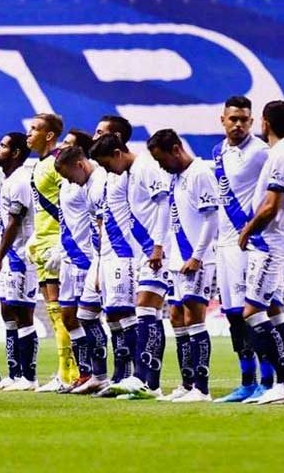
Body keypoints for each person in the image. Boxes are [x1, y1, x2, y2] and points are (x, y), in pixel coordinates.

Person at [88, 131, 170, 399]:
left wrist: (158, 245)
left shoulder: (146, 167)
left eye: (106, 163)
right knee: (148, 312)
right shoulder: (129, 173)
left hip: (159, 250)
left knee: (147, 310)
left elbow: (164, 206)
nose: (106, 169)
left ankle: (148, 380)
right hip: (144, 251)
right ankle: (146, 381)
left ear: (117, 154)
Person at [236, 100, 284, 406]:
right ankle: (281, 383)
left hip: (268, 245)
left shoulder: (280, 155)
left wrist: (248, 229)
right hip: (276, 240)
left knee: (251, 313)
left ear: (264, 123)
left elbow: (270, 205)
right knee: (274, 312)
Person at [147, 129, 221, 403]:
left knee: (194, 318)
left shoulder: (200, 173)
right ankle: (187, 384)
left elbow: (211, 218)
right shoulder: (175, 178)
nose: (160, 165)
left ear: (176, 149)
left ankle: (202, 388)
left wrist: (198, 256)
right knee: (177, 316)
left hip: (198, 259)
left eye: (161, 158)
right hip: (178, 260)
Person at [211, 96, 273, 403]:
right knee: (234, 315)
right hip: (224, 244)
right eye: (233, 118)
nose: (238, 124)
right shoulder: (218, 151)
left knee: (255, 314)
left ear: (252, 122)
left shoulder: (261, 152)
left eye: (244, 119)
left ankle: (270, 380)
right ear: (222, 119)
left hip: (248, 244)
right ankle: (247, 382)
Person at [26, 113, 77, 393]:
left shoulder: (58, 163)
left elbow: (70, 202)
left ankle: (70, 373)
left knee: (65, 312)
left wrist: (63, 242)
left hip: (58, 244)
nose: (29, 133)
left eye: (34, 129)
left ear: (48, 135)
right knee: (53, 312)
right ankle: (65, 372)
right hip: (43, 243)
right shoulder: (39, 164)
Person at [54, 144, 112, 395]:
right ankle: (88, 373)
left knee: (88, 315)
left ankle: (102, 373)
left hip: (86, 258)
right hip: (68, 257)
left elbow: (95, 223)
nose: (68, 180)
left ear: (79, 163)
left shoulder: (96, 181)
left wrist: (96, 261)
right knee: (68, 317)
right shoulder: (75, 183)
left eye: (68, 174)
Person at [0, 132, 38, 392]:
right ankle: (14, 373)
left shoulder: (20, 181)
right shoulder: (6, 179)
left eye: (4, 146)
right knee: (7, 311)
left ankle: (29, 376)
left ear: (16, 152)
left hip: (20, 257)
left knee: (22, 313)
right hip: (9, 257)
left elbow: (14, 223)